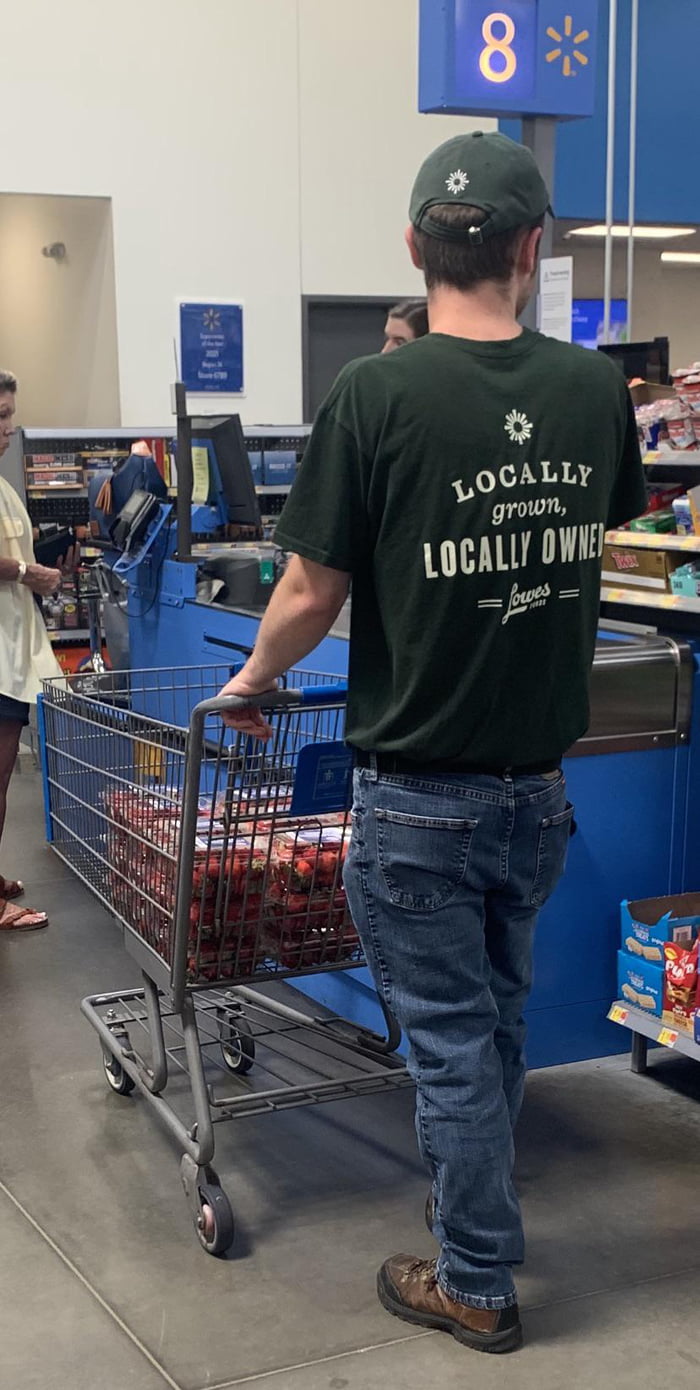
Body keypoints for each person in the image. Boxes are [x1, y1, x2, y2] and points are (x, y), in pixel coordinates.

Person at [217, 132, 646, 1353]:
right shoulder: (590, 389)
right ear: (529, 248)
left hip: (418, 797)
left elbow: (309, 589)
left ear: (414, 246)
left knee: (452, 1044)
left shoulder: (374, 393)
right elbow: (590, 542)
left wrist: (250, 679)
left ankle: (475, 1278)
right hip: (535, 796)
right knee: (495, 1024)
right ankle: (475, 1205)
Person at [0, 369, 66, 930]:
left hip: (10, 653)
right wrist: (28, 572)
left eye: (10, 414)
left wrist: (40, 566)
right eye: (0, 414)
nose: (9, 427)